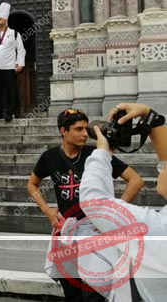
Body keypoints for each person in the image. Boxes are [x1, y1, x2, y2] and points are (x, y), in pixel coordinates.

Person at [27, 108, 145, 301]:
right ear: (63, 131)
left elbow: (136, 180)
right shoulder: (50, 157)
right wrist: (46, 209)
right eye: (78, 129)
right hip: (66, 233)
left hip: (93, 233)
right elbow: (32, 184)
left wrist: (111, 214)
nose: (85, 134)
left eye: (85, 128)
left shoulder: (96, 155)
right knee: (71, 290)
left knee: (94, 293)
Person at [81, 102, 167, 302]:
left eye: (163, 167)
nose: (161, 166)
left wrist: (102, 153)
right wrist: (151, 118)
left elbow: (94, 202)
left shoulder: (158, 229)